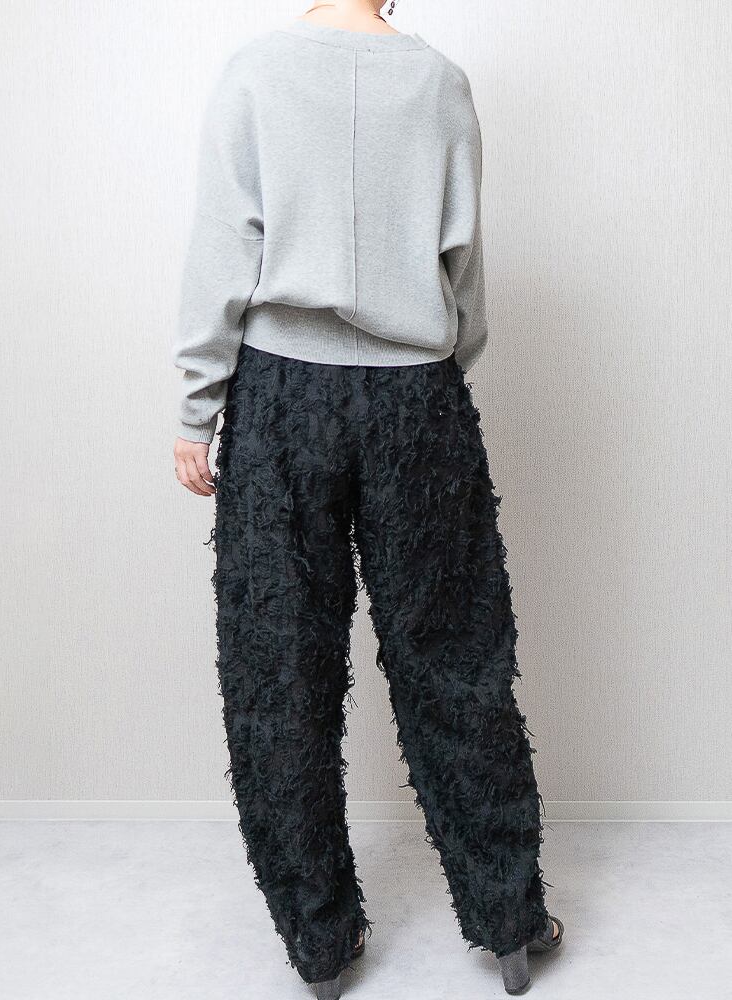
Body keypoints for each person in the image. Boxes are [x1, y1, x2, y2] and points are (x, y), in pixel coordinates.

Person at [171, 2, 564, 997]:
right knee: (457, 658)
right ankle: (510, 922)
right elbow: (463, 268)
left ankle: (318, 943)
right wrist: (431, 370)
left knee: (278, 668)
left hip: (280, 395)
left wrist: (195, 408)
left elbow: (225, 245)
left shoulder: (257, 71)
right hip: (415, 397)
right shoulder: (438, 83)